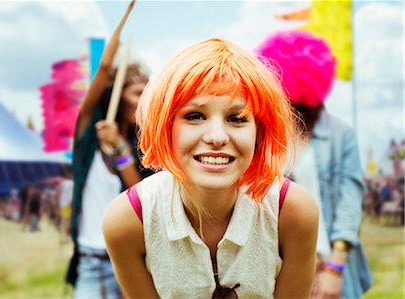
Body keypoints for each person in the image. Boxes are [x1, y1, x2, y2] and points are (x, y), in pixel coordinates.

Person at [102, 37, 319, 298]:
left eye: (237, 118)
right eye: (195, 116)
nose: (217, 136)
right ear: (165, 125)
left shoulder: (292, 211)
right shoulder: (128, 220)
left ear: (259, 132)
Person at [256, 30, 373, 299]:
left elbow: (349, 201)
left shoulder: (340, 134)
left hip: (328, 262)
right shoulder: (261, 134)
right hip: (277, 266)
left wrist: (335, 266)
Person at [67, 1, 152, 298]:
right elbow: (104, 68)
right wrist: (126, 15)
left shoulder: (140, 147)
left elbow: (140, 196)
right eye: (139, 93)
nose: (145, 101)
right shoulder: (87, 131)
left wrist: (118, 150)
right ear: (119, 94)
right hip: (91, 261)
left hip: (132, 260)